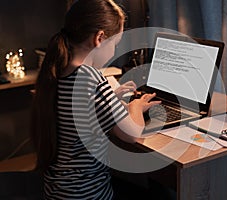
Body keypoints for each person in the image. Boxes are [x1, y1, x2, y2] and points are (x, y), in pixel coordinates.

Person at [30, 0, 161, 199]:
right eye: (115, 44)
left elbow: (81, 108)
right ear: (99, 38)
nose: (115, 51)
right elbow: (133, 135)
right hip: (88, 193)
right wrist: (136, 106)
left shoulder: (58, 69)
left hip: (58, 191)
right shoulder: (91, 77)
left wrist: (110, 99)